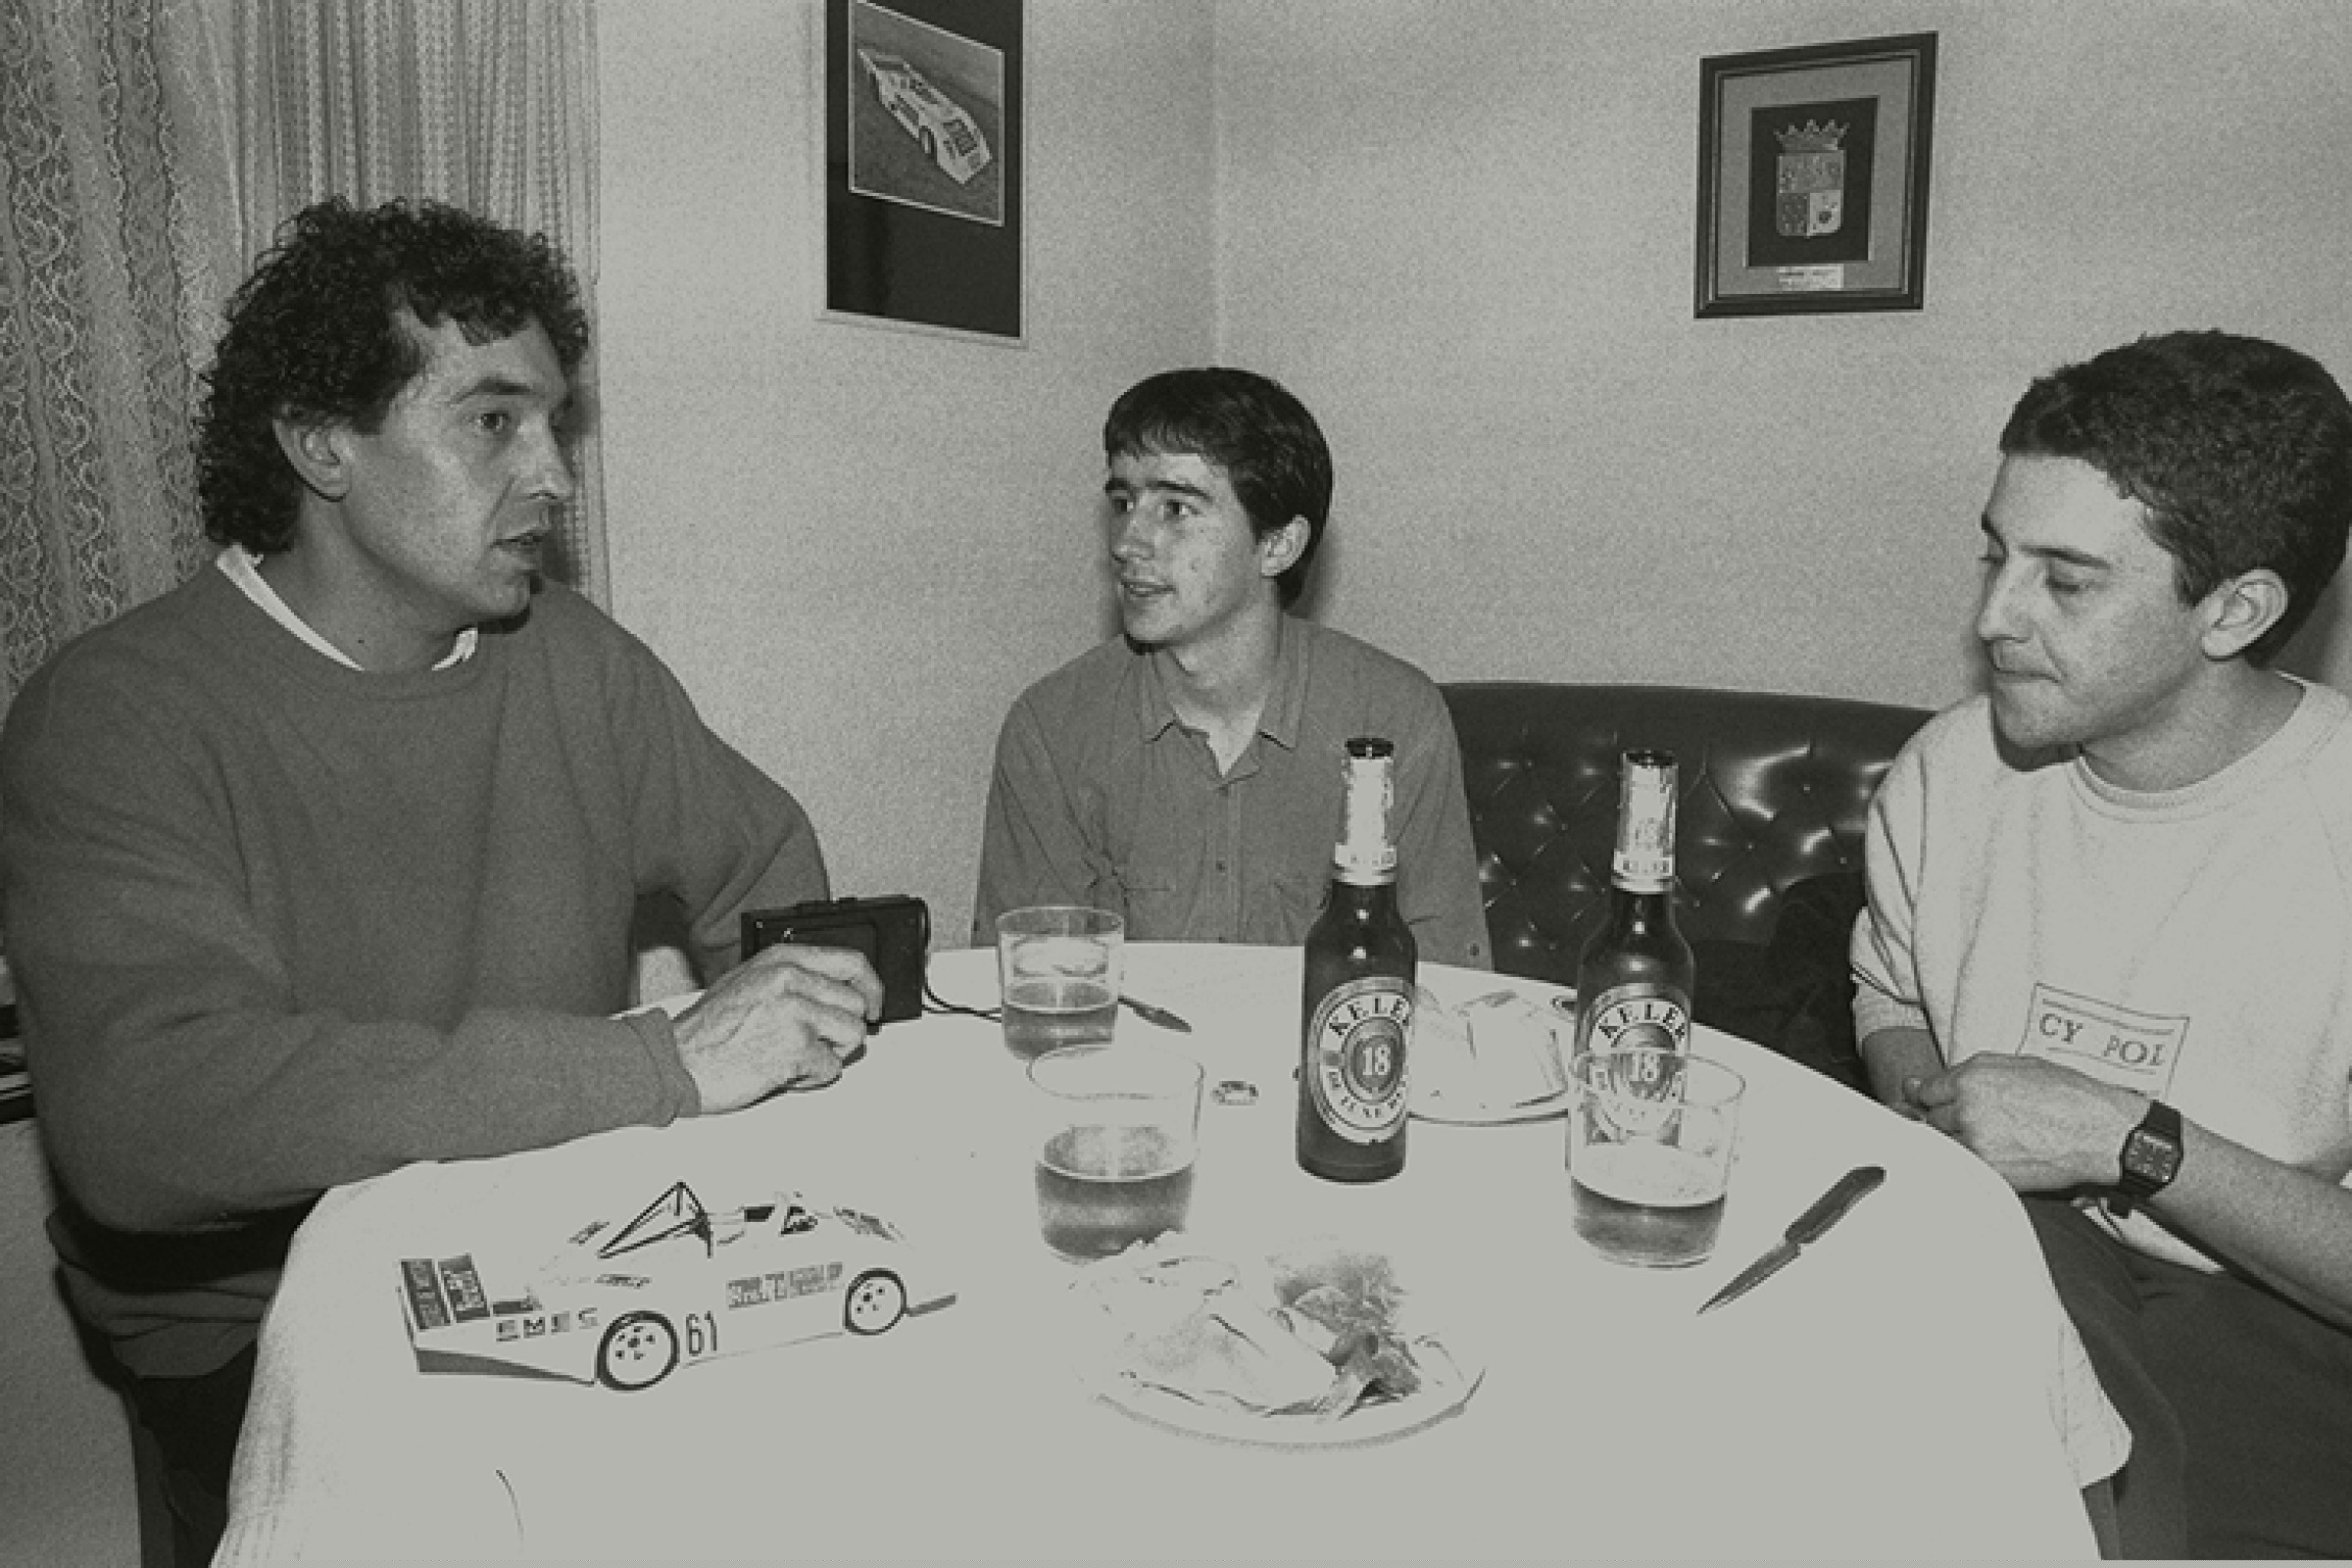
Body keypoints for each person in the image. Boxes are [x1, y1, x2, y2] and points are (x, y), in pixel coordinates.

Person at [0, 198, 882, 1566]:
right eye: (492, 421)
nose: (554, 476)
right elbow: (150, 1120)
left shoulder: (575, 660)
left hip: (555, 1254)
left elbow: (767, 869)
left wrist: (781, 1094)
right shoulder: (116, 713)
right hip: (259, 1326)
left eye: (555, 424)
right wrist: (661, 1067)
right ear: (321, 442)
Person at [1850, 329, 2352, 1558]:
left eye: (2065, 581)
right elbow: (1889, 995)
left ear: (2233, 611)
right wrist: (1934, 1104)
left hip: (2280, 1323)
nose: (1993, 617)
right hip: (2016, 1263)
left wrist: (2130, 1141)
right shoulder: (1947, 773)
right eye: (1995, 552)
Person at [972, 367, 1491, 967]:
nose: (1127, 542)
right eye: (1123, 502)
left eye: (1176, 509)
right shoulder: (1053, 729)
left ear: (1277, 546)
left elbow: (1449, 986)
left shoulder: (1394, 719)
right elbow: (1029, 982)